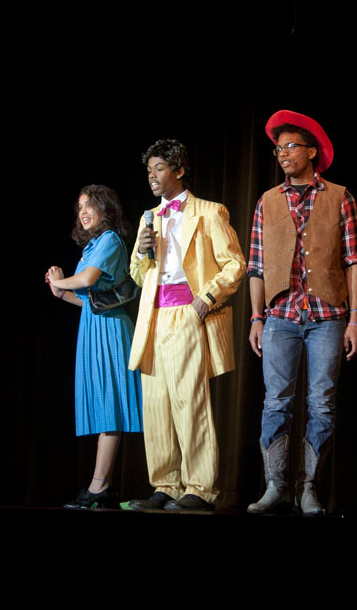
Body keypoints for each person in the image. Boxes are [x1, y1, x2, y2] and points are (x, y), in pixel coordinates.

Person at [247, 110, 357, 515]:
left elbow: (354, 260)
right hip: (280, 317)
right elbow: (256, 266)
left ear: (312, 151)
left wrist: (355, 318)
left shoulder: (340, 196)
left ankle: (309, 488)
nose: (282, 154)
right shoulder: (267, 201)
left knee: (322, 403)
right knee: (276, 402)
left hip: (328, 316)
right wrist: (256, 317)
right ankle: (276, 485)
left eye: (291, 146)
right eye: (278, 148)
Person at [121, 139, 245, 512]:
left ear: (179, 170)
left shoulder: (209, 212)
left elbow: (235, 264)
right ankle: (165, 484)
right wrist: (142, 251)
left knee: (189, 399)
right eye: (149, 170)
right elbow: (138, 276)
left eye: (159, 168)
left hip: (188, 313)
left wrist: (204, 301)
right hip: (153, 316)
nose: (152, 176)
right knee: (156, 402)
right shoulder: (148, 218)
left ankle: (199, 487)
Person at [45, 184, 143, 509]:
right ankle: (101, 486)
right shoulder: (93, 246)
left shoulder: (111, 240)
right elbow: (89, 301)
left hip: (111, 332)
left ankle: (100, 486)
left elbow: (86, 281)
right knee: (104, 409)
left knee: (110, 408)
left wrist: (61, 281)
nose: (83, 212)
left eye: (90, 205)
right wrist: (60, 293)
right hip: (94, 328)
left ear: (106, 210)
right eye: (80, 207)